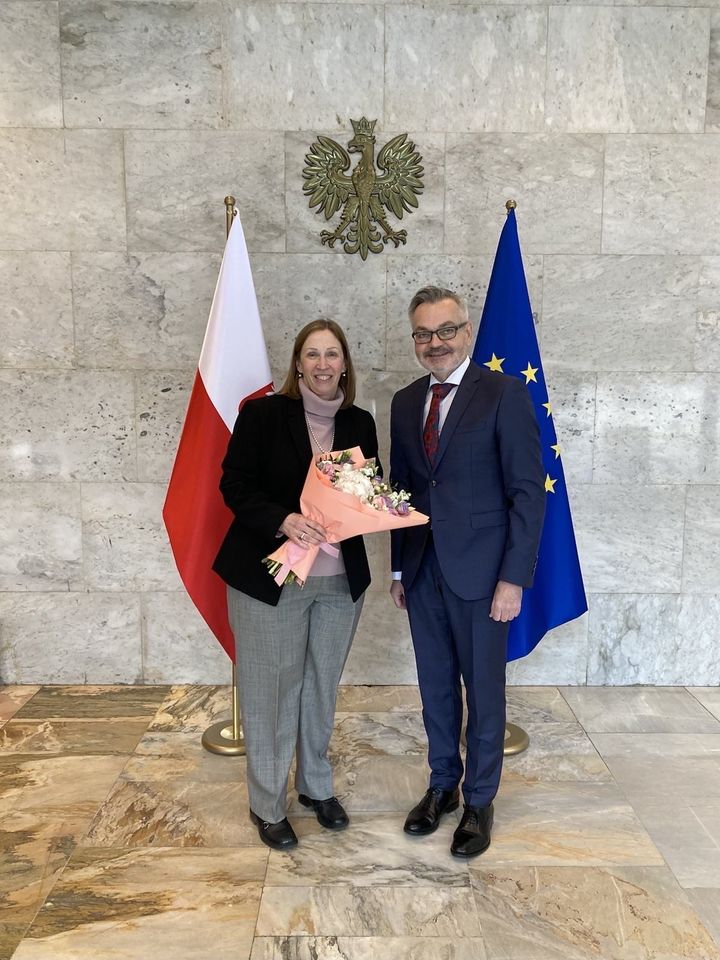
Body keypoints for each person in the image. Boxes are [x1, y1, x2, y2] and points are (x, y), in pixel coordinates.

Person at [389, 286, 545, 858]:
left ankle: (480, 800)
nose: (435, 343)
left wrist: (513, 578)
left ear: (466, 331)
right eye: (423, 334)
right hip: (422, 570)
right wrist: (399, 569)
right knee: (435, 687)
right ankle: (442, 786)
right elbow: (402, 490)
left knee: (482, 690)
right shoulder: (405, 402)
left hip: (484, 575)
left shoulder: (503, 393)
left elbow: (527, 493)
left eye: (446, 330)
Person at [214, 319, 379, 851]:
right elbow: (234, 484)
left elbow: (365, 494)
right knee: (271, 692)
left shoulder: (359, 422)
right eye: (313, 354)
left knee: (320, 685)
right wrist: (282, 519)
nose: (323, 364)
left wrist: (376, 506)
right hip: (272, 578)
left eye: (332, 354)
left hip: (338, 582)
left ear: (345, 365)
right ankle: (267, 804)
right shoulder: (262, 415)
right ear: (298, 364)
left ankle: (315, 786)